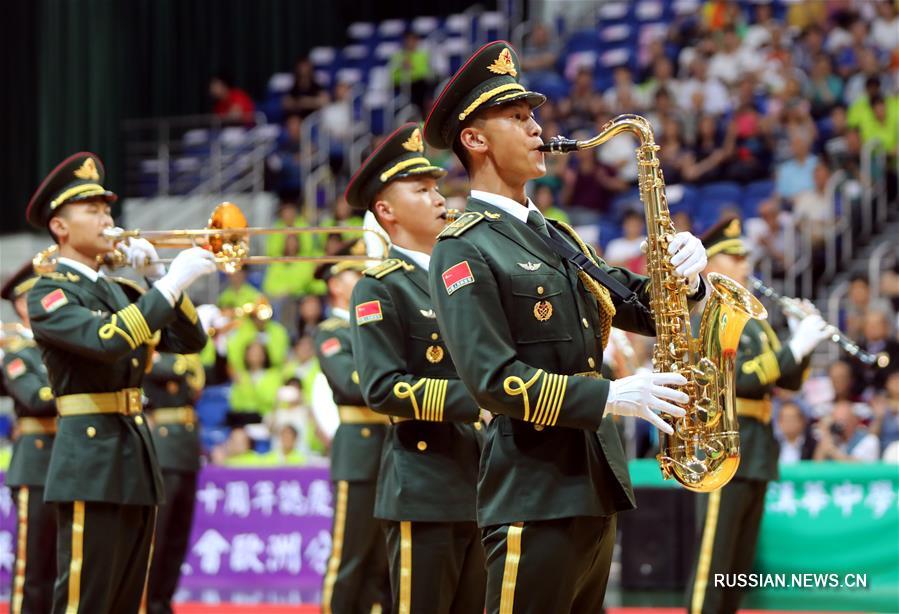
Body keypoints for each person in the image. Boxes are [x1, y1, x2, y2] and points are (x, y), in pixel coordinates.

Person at [423, 41, 709, 613]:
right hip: (532, 491)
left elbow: (644, 307)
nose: (537, 129)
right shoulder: (463, 247)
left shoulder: (559, 235)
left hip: (594, 485)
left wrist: (689, 276)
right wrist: (611, 394)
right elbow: (490, 378)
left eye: (534, 116)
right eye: (518, 118)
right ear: (475, 139)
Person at [24, 152, 214, 613]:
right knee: (85, 600)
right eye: (92, 210)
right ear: (60, 228)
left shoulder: (120, 290)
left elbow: (190, 342)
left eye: (107, 209)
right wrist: (167, 291)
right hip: (89, 458)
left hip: (134, 453)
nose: (107, 219)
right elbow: (104, 339)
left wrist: (158, 277)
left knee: (128, 599)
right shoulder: (49, 292)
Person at [348, 123, 486, 612]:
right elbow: (383, 389)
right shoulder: (381, 286)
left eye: (437, 187)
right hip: (423, 483)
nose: (439, 197)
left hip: (482, 479)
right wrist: (479, 400)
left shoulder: (462, 276)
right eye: (422, 190)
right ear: (386, 211)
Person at [685, 216, 831, 614]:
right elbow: (740, 380)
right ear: (711, 265)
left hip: (756, 445)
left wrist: (801, 343)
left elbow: (789, 382)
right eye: (733, 257)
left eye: (745, 256)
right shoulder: (708, 314)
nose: (744, 264)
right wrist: (793, 349)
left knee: (737, 565)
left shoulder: (752, 320)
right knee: (712, 563)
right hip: (722, 446)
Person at [313, 241, 391, 614]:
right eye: (354, 273)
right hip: (358, 450)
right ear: (335, 285)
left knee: (384, 561)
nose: (364, 278)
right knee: (351, 555)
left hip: (390, 446)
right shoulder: (332, 332)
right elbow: (351, 384)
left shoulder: (377, 326)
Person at [1, 262, 57, 614]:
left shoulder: (58, 346)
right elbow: (36, 399)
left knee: (61, 561)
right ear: (22, 304)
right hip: (35, 462)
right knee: (33, 564)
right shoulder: (17, 354)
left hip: (66, 458)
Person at [144, 352, 204, 614]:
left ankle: (163, 602)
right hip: (165, 448)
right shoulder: (152, 345)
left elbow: (203, 377)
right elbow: (163, 369)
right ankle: (147, 602)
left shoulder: (186, 353)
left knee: (179, 535)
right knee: (160, 535)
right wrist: (182, 362)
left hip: (187, 448)